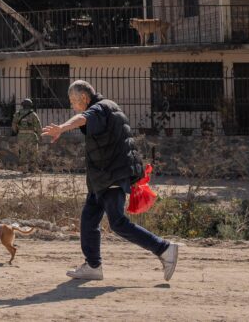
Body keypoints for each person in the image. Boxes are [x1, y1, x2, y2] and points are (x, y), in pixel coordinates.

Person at [41, 80, 181, 281]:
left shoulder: (99, 108)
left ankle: (164, 248)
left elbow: (82, 117)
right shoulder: (108, 107)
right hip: (103, 177)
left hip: (111, 175)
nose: (72, 105)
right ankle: (93, 265)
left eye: (73, 100)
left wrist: (62, 128)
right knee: (89, 220)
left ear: (84, 98)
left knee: (118, 223)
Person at [11, 98, 42, 172]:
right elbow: (38, 125)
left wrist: (16, 131)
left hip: (21, 135)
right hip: (31, 135)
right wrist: (40, 135)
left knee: (23, 152)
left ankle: (24, 168)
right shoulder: (33, 114)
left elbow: (13, 124)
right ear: (30, 105)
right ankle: (33, 168)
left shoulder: (18, 114)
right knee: (33, 151)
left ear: (23, 105)